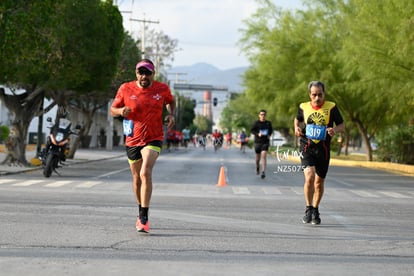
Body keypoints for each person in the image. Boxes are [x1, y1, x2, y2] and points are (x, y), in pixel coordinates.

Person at [110, 59, 175, 234]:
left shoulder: (162, 89)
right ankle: (140, 209)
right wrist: (120, 111)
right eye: (141, 72)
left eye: (147, 72)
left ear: (153, 74)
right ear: (136, 73)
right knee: (136, 179)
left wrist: (170, 115)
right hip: (132, 138)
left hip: (153, 137)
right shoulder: (125, 88)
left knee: (145, 172)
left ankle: (145, 216)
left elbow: (170, 101)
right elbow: (113, 109)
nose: (143, 76)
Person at [294, 81, 345, 225]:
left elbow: (342, 125)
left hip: (323, 149)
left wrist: (335, 130)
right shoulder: (303, 107)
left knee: (319, 182)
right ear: (310, 95)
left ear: (324, 94)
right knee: (309, 176)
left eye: (320, 95)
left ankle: (315, 209)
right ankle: (308, 208)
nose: (317, 98)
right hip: (306, 146)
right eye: (314, 95)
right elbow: (297, 120)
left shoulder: (331, 107)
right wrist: (297, 129)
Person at [250, 110, 273, 179]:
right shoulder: (256, 123)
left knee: (264, 155)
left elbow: (271, 130)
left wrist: (269, 134)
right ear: (259, 115)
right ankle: (257, 166)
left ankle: (263, 171)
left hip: (265, 142)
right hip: (257, 142)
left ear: (265, 116)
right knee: (258, 158)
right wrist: (257, 134)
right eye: (261, 114)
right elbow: (252, 130)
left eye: (264, 114)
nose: (263, 116)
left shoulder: (268, 123)